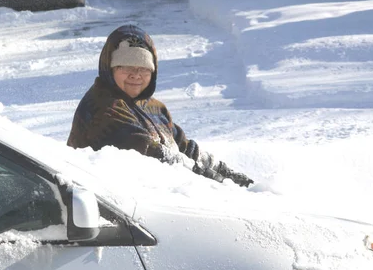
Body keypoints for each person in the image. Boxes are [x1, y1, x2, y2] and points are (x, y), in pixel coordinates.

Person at [67, 25, 253, 187]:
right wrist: (216, 183)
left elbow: (184, 147)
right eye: (125, 66)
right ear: (110, 68)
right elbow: (155, 155)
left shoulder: (153, 107)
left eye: (143, 68)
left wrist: (223, 171)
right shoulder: (104, 108)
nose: (136, 75)